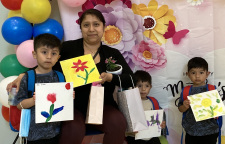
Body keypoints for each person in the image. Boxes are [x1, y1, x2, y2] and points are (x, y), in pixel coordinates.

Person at [8, 9, 134, 144]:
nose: (91, 29)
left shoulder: (111, 53)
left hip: (103, 107)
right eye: (86, 25)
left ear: (103, 27)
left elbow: (132, 80)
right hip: (72, 106)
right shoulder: (68, 48)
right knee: (73, 128)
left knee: (118, 122)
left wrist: (110, 78)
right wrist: (23, 75)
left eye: (96, 24)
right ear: (81, 28)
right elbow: (46, 64)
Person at [14, 33, 65, 144]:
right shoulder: (28, 77)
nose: (49, 57)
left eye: (54, 53)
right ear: (34, 54)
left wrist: (68, 96)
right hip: (34, 135)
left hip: (55, 132)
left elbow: (62, 104)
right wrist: (33, 100)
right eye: (44, 52)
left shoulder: (60, 77)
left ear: (58, 57)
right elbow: (19, 105)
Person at [178, 57, 219, 144]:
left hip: (210, 131)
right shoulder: (186, 90)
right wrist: (184, 106)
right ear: (188, 74)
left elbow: (217, 111)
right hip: (191, 131)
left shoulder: (211, 89)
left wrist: (215, 112)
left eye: (201, 72)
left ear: (207, 74)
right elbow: (180, 109)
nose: (197, 76)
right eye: (193, 73)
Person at [126, 70, 166, 144]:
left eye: (146, 86)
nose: (143, 89)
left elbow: (157, 119)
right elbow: (124, 122)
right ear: (133, 86)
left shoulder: (153, 102)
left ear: (150, 87)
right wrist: (131, 130)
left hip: (151, 136)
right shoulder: (129, 102)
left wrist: (161, 124)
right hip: (134, 137)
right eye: (139, 86)